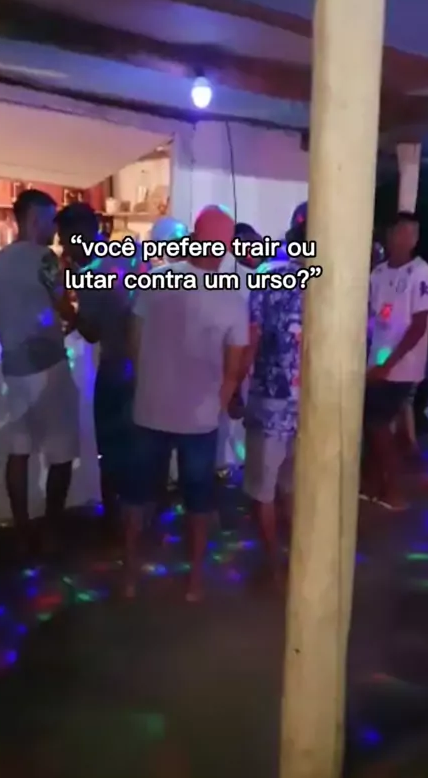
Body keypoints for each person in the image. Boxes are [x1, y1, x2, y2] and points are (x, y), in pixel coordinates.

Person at [121, 205, 249, 601]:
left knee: (137, 497)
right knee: (198, 502)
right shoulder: (232, 296)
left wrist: (148, 384)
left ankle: (130, 576)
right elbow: (234, 366)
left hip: (150, 409)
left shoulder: (155, 279)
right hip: (199, 418)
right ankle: (193, 581)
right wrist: (218, 405)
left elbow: (133, 340)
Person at [0, 189, 80, 556]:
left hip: (13, 369)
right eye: (49, 220)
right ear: (33, 219)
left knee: (19, 451)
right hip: (46, 364)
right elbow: (63, 303)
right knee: (61, 452)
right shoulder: (44, 258)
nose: (54, 230)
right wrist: (77, 316)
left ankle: (22, 530)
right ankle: (51, 531)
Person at [56, 202, 145, 537]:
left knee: (110, 447)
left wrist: (66, 309)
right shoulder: (130, 254)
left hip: (116, 367)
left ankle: (115, 524)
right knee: (138, 447)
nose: (64, 247)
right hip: (145, 368)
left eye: (65, 239)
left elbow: (92, 331)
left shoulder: (92, 272)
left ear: (81, 233)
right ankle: (140, 519)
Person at [242, 213, 304, 580]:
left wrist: (234, 386)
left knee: (262, 489)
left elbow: (252, 335)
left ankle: (274, 564)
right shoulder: (330, 278)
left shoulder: (266, 275)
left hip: (269, 397)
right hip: (310, 401)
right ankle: (297, 558)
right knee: (292, 485)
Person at [364, 212, 428, 509]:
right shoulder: (378, 273)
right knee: (373, 425)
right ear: (390, 235)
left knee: (377, 424)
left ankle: (393, 491)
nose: (407, 239)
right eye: (401, 232)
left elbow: (420, 325)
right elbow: (370, 316)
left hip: (401, 367)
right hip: (375, 362)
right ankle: (375, 484)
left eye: (412, 233)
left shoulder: (421, 273)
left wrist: (389, 365)